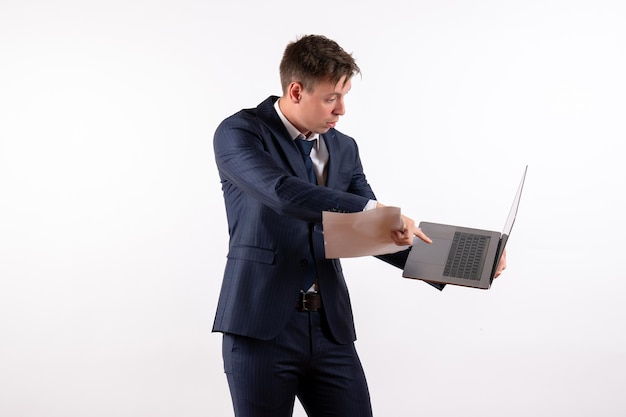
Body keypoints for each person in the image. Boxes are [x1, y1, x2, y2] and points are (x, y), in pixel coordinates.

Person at [212, 34, 506, 417]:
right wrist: (371, 208)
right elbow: (282, 193)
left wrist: (467, 262)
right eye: (332, 98)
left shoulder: (344, 148)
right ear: (297, 91)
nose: (342, 110)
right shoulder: (241, 133)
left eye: (345, 95)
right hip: (259, 326)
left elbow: (374, 230)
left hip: (330, 328)